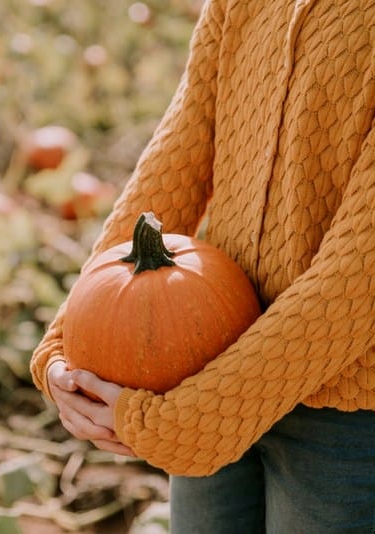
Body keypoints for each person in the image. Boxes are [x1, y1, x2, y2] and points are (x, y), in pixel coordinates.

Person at [29, 0, 375, 532]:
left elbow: (356, 280)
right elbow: (173, 166)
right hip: (204, 361)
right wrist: (70, 343)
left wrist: (194, 420)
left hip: (345, 415)